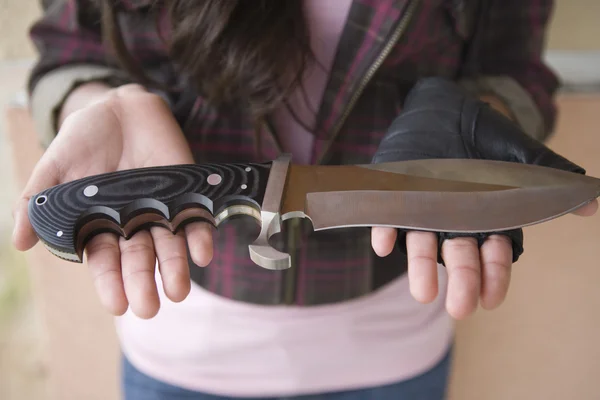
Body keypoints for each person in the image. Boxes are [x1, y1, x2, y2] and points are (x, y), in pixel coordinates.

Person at [12, 0, 598, 399]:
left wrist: (479, 113)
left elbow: (516, 66)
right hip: (181, 350)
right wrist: (93, 100)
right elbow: (71, 45)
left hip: (394, 347)